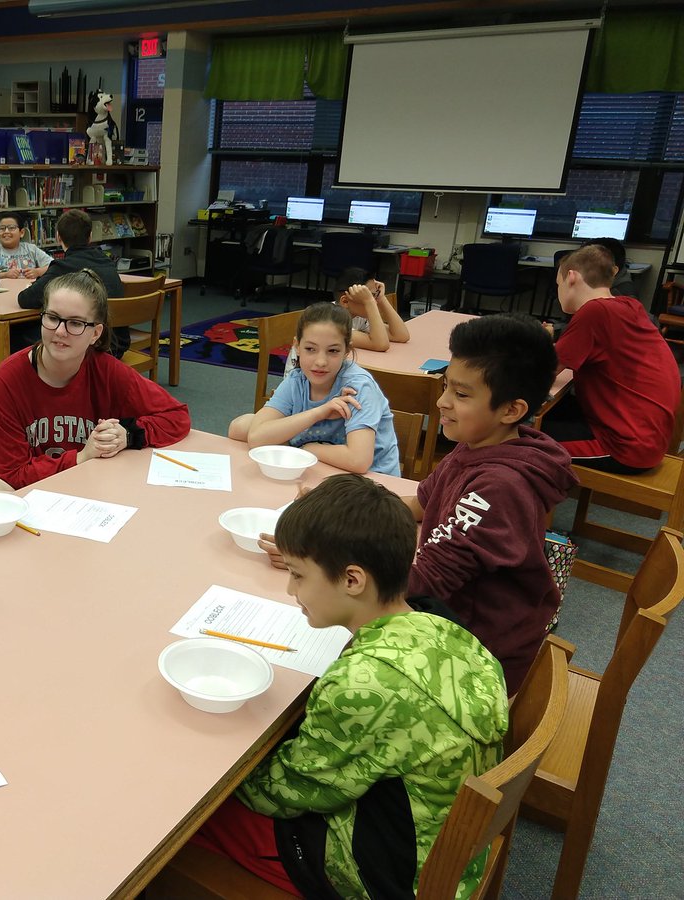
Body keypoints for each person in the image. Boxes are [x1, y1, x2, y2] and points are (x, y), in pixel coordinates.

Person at [194, 475, 508, 898]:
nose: (291, 589)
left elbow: (282, 795)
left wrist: (216, 770)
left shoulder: (363, 683)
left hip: (393, 875)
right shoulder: (444, 628)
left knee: (192, 820)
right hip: (447, 845)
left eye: (299, 576)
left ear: (353, 580)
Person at [403, 315, 575, 689]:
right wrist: (339, 509)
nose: (442, 401)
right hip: (452, 621)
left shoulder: (499, 485)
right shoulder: (477, 445)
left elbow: (423, 582)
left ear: (511, 410)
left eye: (461, 395)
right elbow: (420, 503)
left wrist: (328, 563)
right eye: (446, 386)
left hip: (478, 659)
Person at [0, 269, 190, 500]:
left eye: (75, 323)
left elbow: (177, 416)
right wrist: (81, 457)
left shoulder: (107, 370)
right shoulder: (10, 378)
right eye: (52, 318)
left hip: (88, 485)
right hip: (26, 490)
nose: (60, 331)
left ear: (95, 334)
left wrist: (128, 435)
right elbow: (12, 474)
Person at [542, 244, 680, 473]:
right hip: (646, 436)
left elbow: (544, 372)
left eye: (559, 284)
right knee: (546, 413)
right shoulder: (629, 305)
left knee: (509, 436)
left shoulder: (593, 312)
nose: (559, 293)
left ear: (572, 277)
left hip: (624, 447)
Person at [227, 303, 401, 476]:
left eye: (333, 351)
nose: (320, 361)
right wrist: (320, 412)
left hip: (372, 485)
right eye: (310, 349)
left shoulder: (358, 387)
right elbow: (257, 437)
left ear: (347, 350)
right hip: (322, 474)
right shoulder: (297, 379)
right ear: (297, 346)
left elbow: (358, 461)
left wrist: (308, 448)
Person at [15, 209, 129, 357]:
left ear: (58, 237)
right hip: (117, 344)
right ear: (90, 237)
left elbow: (25, 299)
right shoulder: (107, 262)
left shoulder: (62, 267)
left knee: (16, 331)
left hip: (89, 347)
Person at [0, 213, 52, 279]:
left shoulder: (31, 249)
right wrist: (4, 275)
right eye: (2, 228)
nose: (6, 232)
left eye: (11, 228)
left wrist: (38, 272)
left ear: (22, 232)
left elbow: (55, 266)